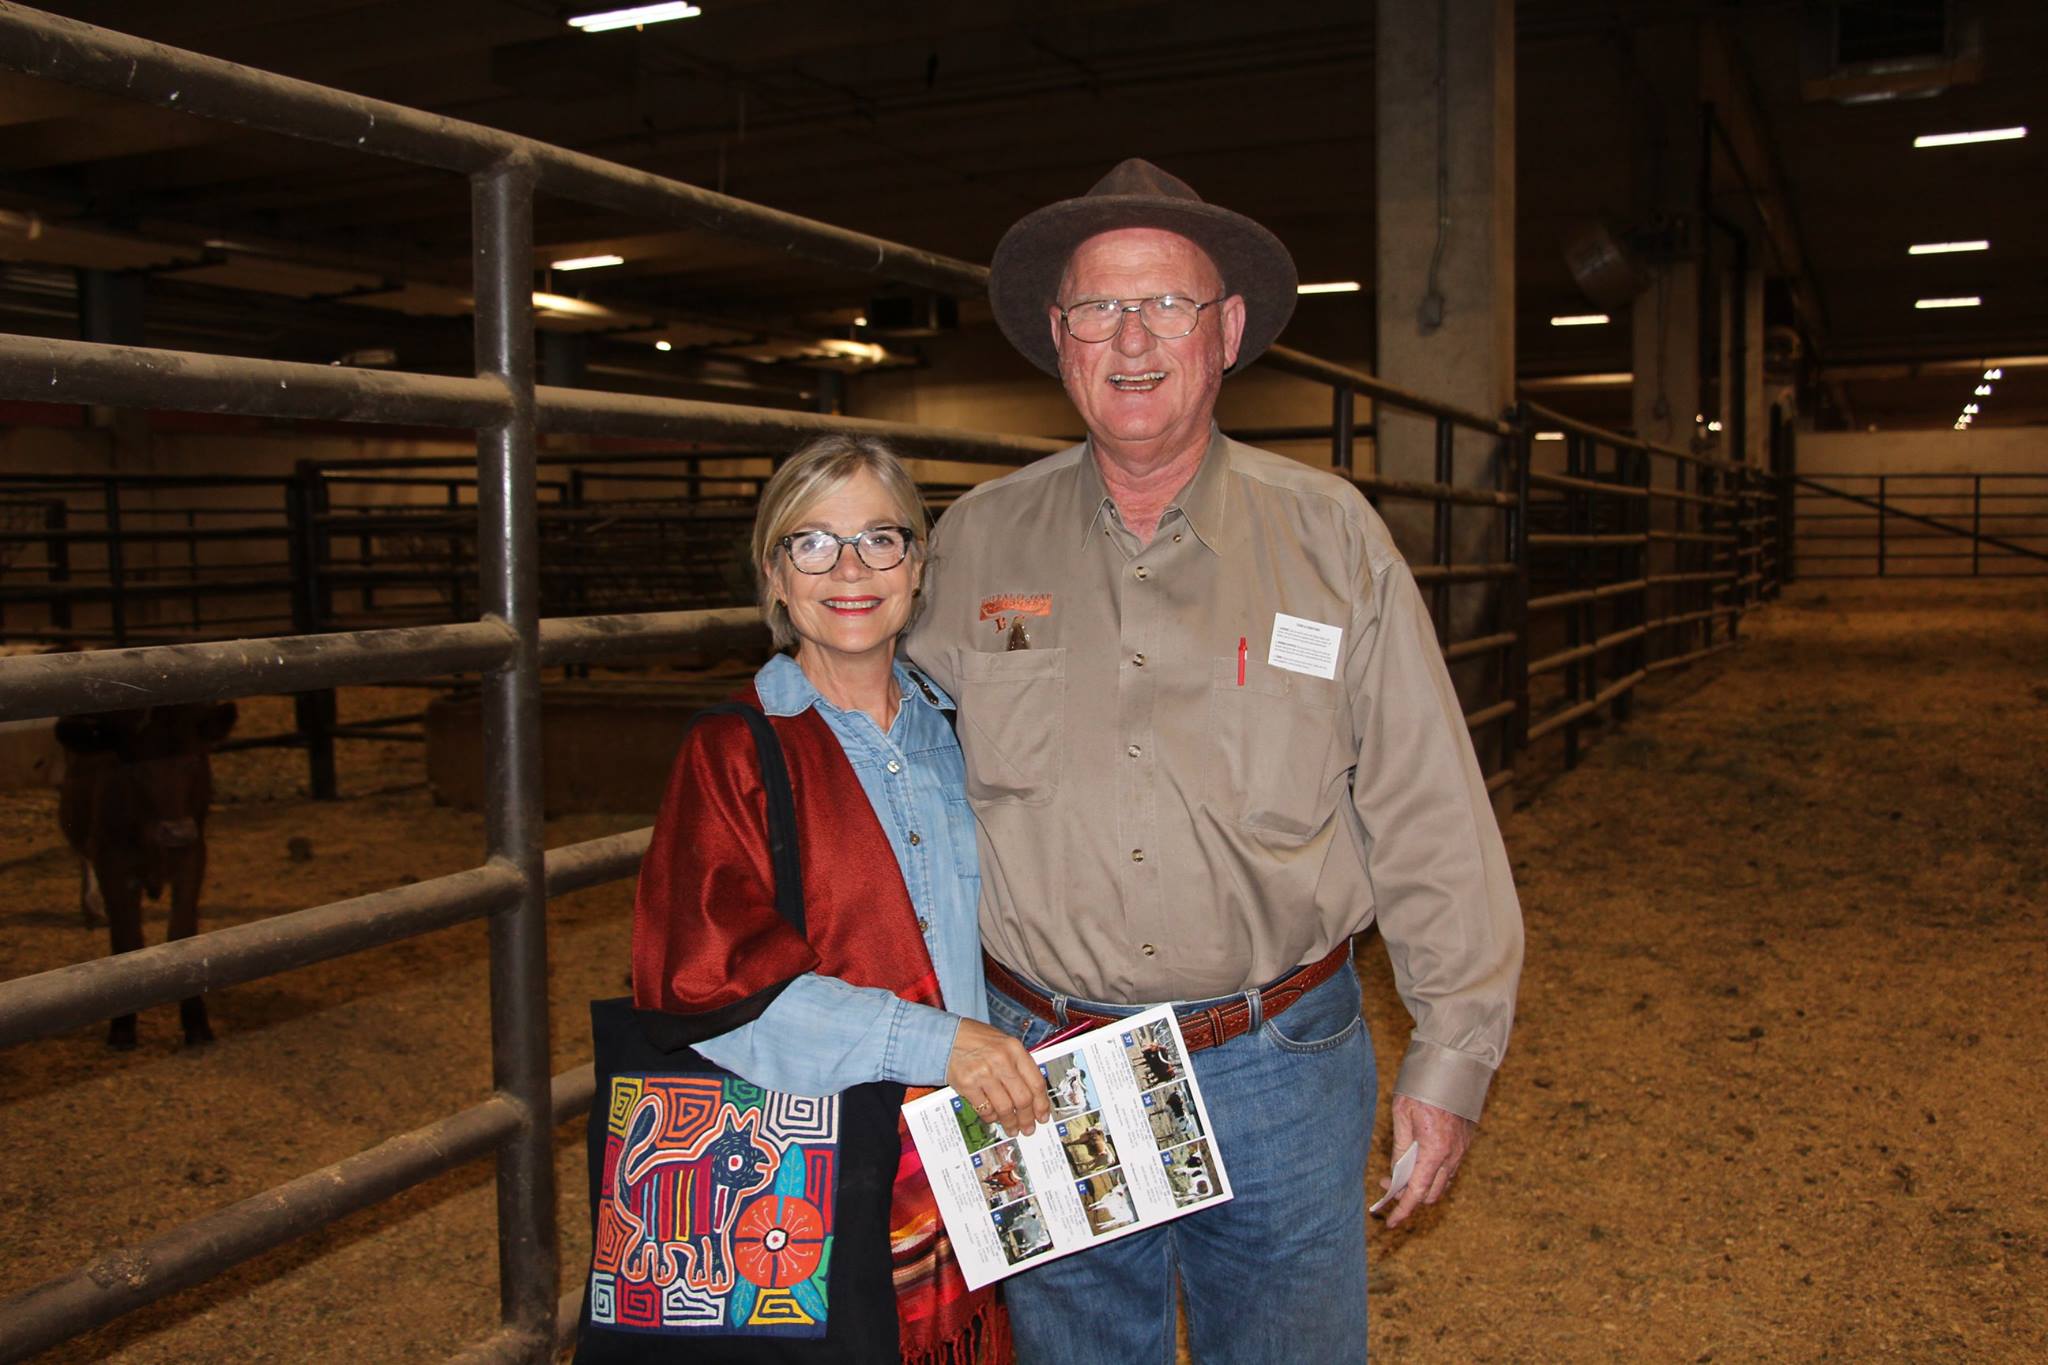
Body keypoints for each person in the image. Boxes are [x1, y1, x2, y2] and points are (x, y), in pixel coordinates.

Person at [908, 159, 1524, 1362]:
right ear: (1058, 337)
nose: (1130, 341)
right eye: (1097, 309)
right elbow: (886, 772)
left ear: (1225, 330)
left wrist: (1452, 1053)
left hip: (1278, 1061)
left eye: (1167, 307)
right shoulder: (978, 540)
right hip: (1046, 1066)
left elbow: (1422, 804)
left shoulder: (1330, 536)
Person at [633, 433, 1049, 1365]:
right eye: (813, 543)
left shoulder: (960, 731)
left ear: (918, 565)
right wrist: (942, 1041)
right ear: (776, 576)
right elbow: (708, 980)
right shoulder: (734, 751)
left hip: (958, 1153)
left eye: (880, 539)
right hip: (807, 1166)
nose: (850, 569)